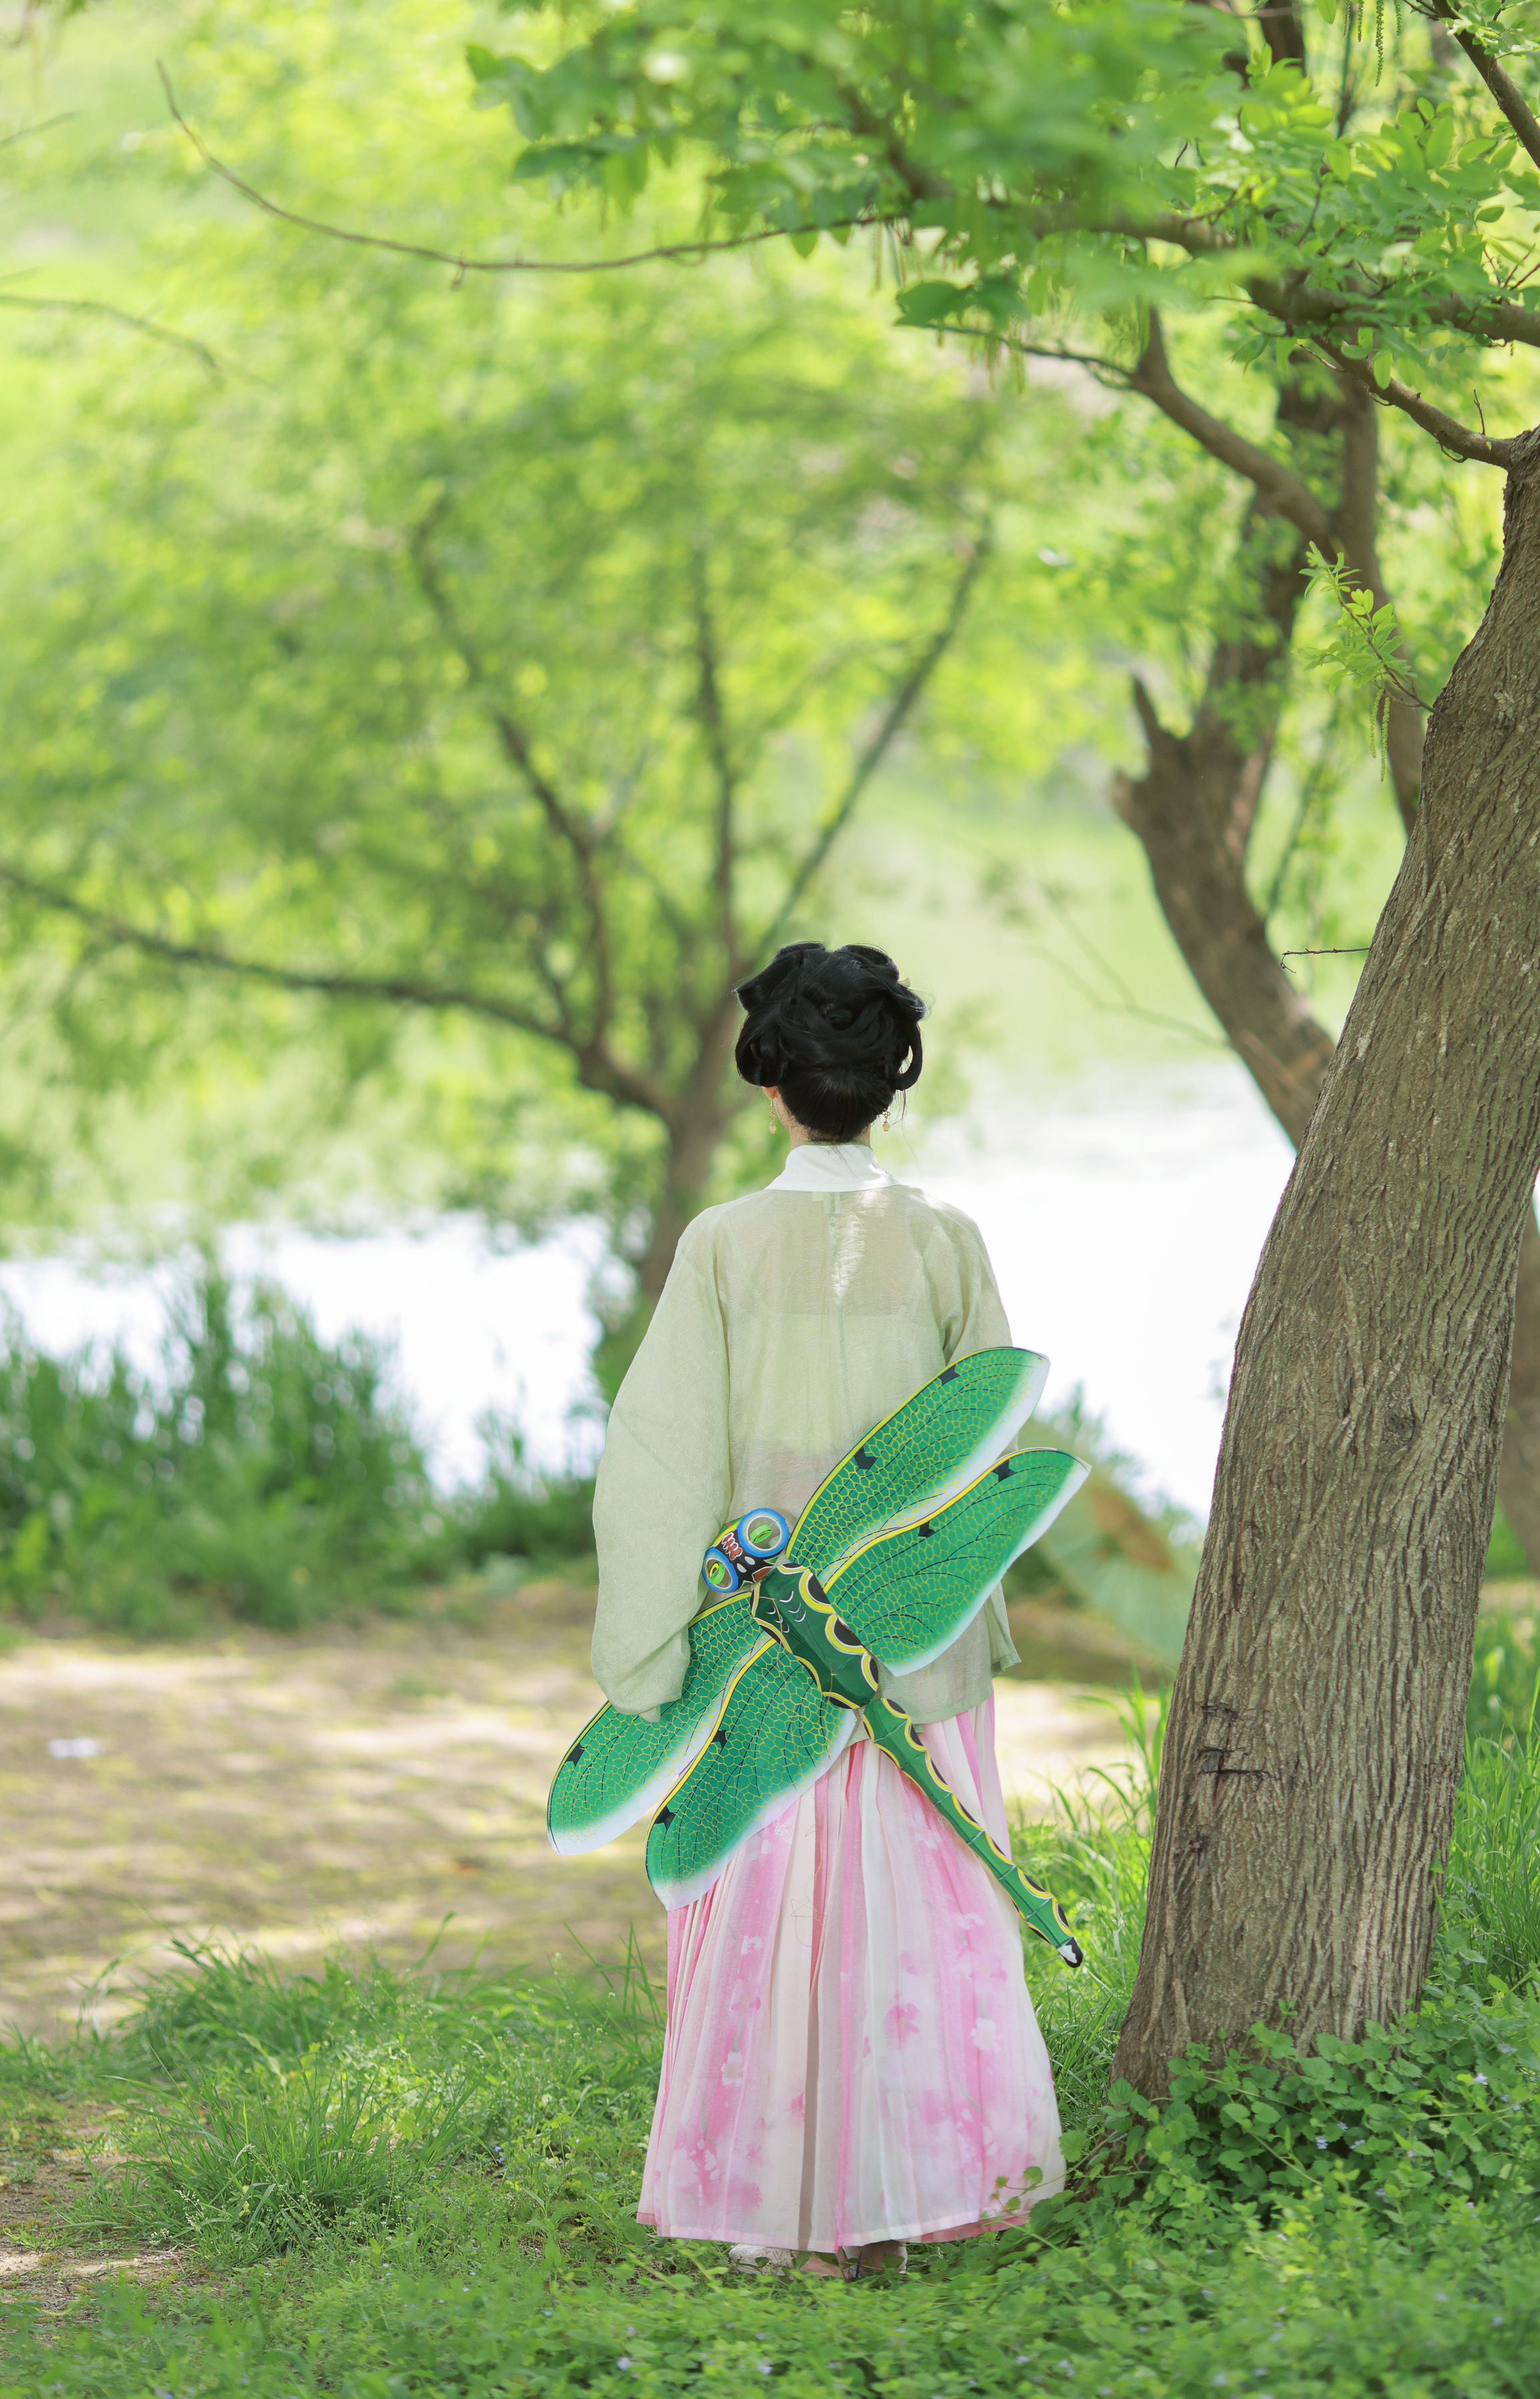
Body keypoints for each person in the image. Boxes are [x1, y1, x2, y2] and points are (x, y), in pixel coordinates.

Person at [589, 939, 1065, 2277]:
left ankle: (775, 2200)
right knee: (915, 1900)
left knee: (775, 1904)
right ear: (886, 1084)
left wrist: (657, 1638)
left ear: (774, 1086)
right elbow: (993, 1456)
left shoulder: (723, 1242)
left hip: (767, 1649)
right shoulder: (943, 1239)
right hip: (910, 1639)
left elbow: (664, 1451)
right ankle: (917, 2184)